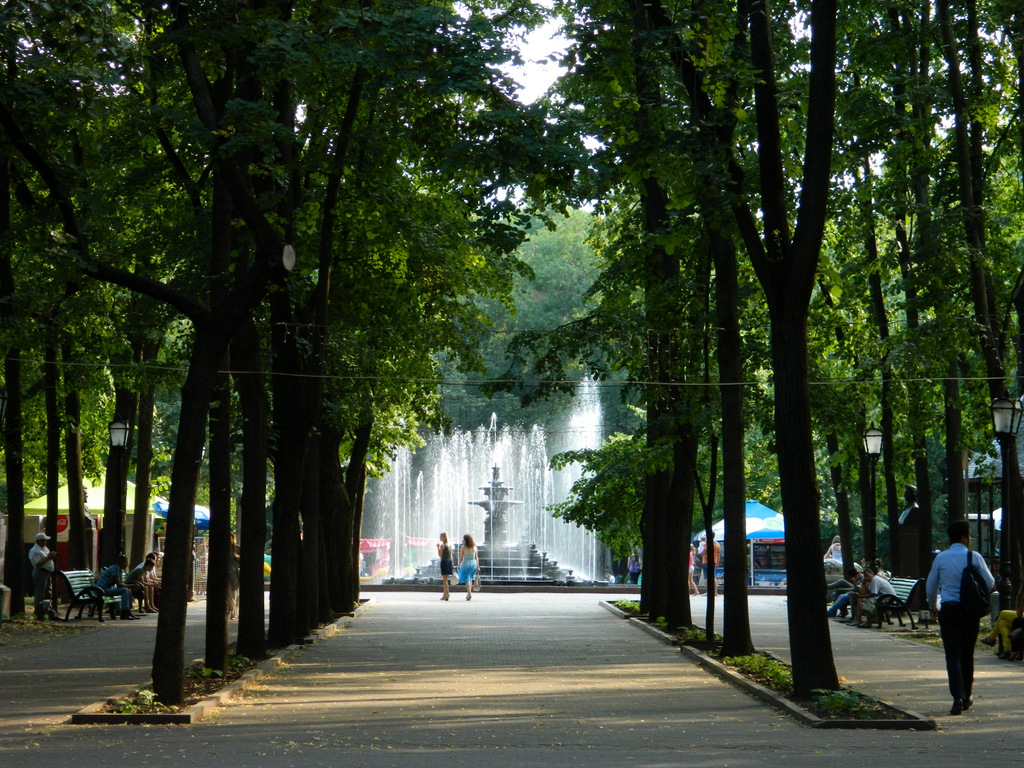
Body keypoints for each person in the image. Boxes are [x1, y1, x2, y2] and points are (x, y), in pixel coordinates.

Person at [926, 519, 996, 715]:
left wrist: (933, 606)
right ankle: (967, 695)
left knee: (952, 655)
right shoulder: (974, 557)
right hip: (969, 612)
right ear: (965, 537)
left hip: (948, 610)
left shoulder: (941, 558)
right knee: (967, 654)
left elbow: (931, 586)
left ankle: (957, 697)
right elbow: (990, 584)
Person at [96, 554, 143, 620]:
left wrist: (131, 586)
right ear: (121, 562)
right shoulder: (116, 569)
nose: (127, 563)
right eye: (125, 561)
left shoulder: (119, 569)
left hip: (107, 588)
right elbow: (119, 584)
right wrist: (133, 585)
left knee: (127, 589)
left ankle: (128, 611)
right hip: (102, 590)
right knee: (125, 590)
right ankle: (124, 613)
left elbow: (120, 583)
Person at [28, 532, 57, 620]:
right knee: (40, 593)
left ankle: (48, 612)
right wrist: (49, 557)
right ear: (39, 541)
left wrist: (51, 557)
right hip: (40, 572)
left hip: (47, 572)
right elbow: (37, 564)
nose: (46, 542)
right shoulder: (35, 551)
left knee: (48, 593)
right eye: (44, 540)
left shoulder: (44, 548)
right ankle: (38, 613)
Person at [457, 534, 478, 601]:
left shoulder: (463, 547)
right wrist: (478, 566)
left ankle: (469, 593)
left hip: (466, 563)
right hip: (473, 564)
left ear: (466, 540)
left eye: (463, 539)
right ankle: (469, 593)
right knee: (470, 578)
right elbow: (477, 558)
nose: (462, 540)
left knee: (466, 579)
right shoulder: (474, 547)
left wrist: (458, 566)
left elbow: (460, 558)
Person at [437, 532, 454, 601]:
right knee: (445, 579)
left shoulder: (442, 546)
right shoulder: (449, 545)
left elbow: (440, 555)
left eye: (441, 537)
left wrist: (438, 548)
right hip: (449, 561)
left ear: (444, 537)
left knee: (444, 580)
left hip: (444, 562)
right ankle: (445, 594)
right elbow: (451, 556)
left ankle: (447, 594)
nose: (440, 538)